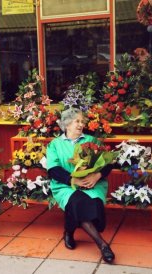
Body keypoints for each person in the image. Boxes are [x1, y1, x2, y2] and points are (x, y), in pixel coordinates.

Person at [46, 108, 115, 263]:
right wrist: (73, 181)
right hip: (65, 185)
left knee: (94, 204)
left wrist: (97, 175)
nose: (81, 124)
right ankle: (103, 245)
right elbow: (53, 170)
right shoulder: (55, 145)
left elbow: (108, 163)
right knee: (78, 202)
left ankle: (68, 231)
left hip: (92, 183)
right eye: (77, 121)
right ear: (67, 124)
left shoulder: (92, 141)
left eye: (82, 121)